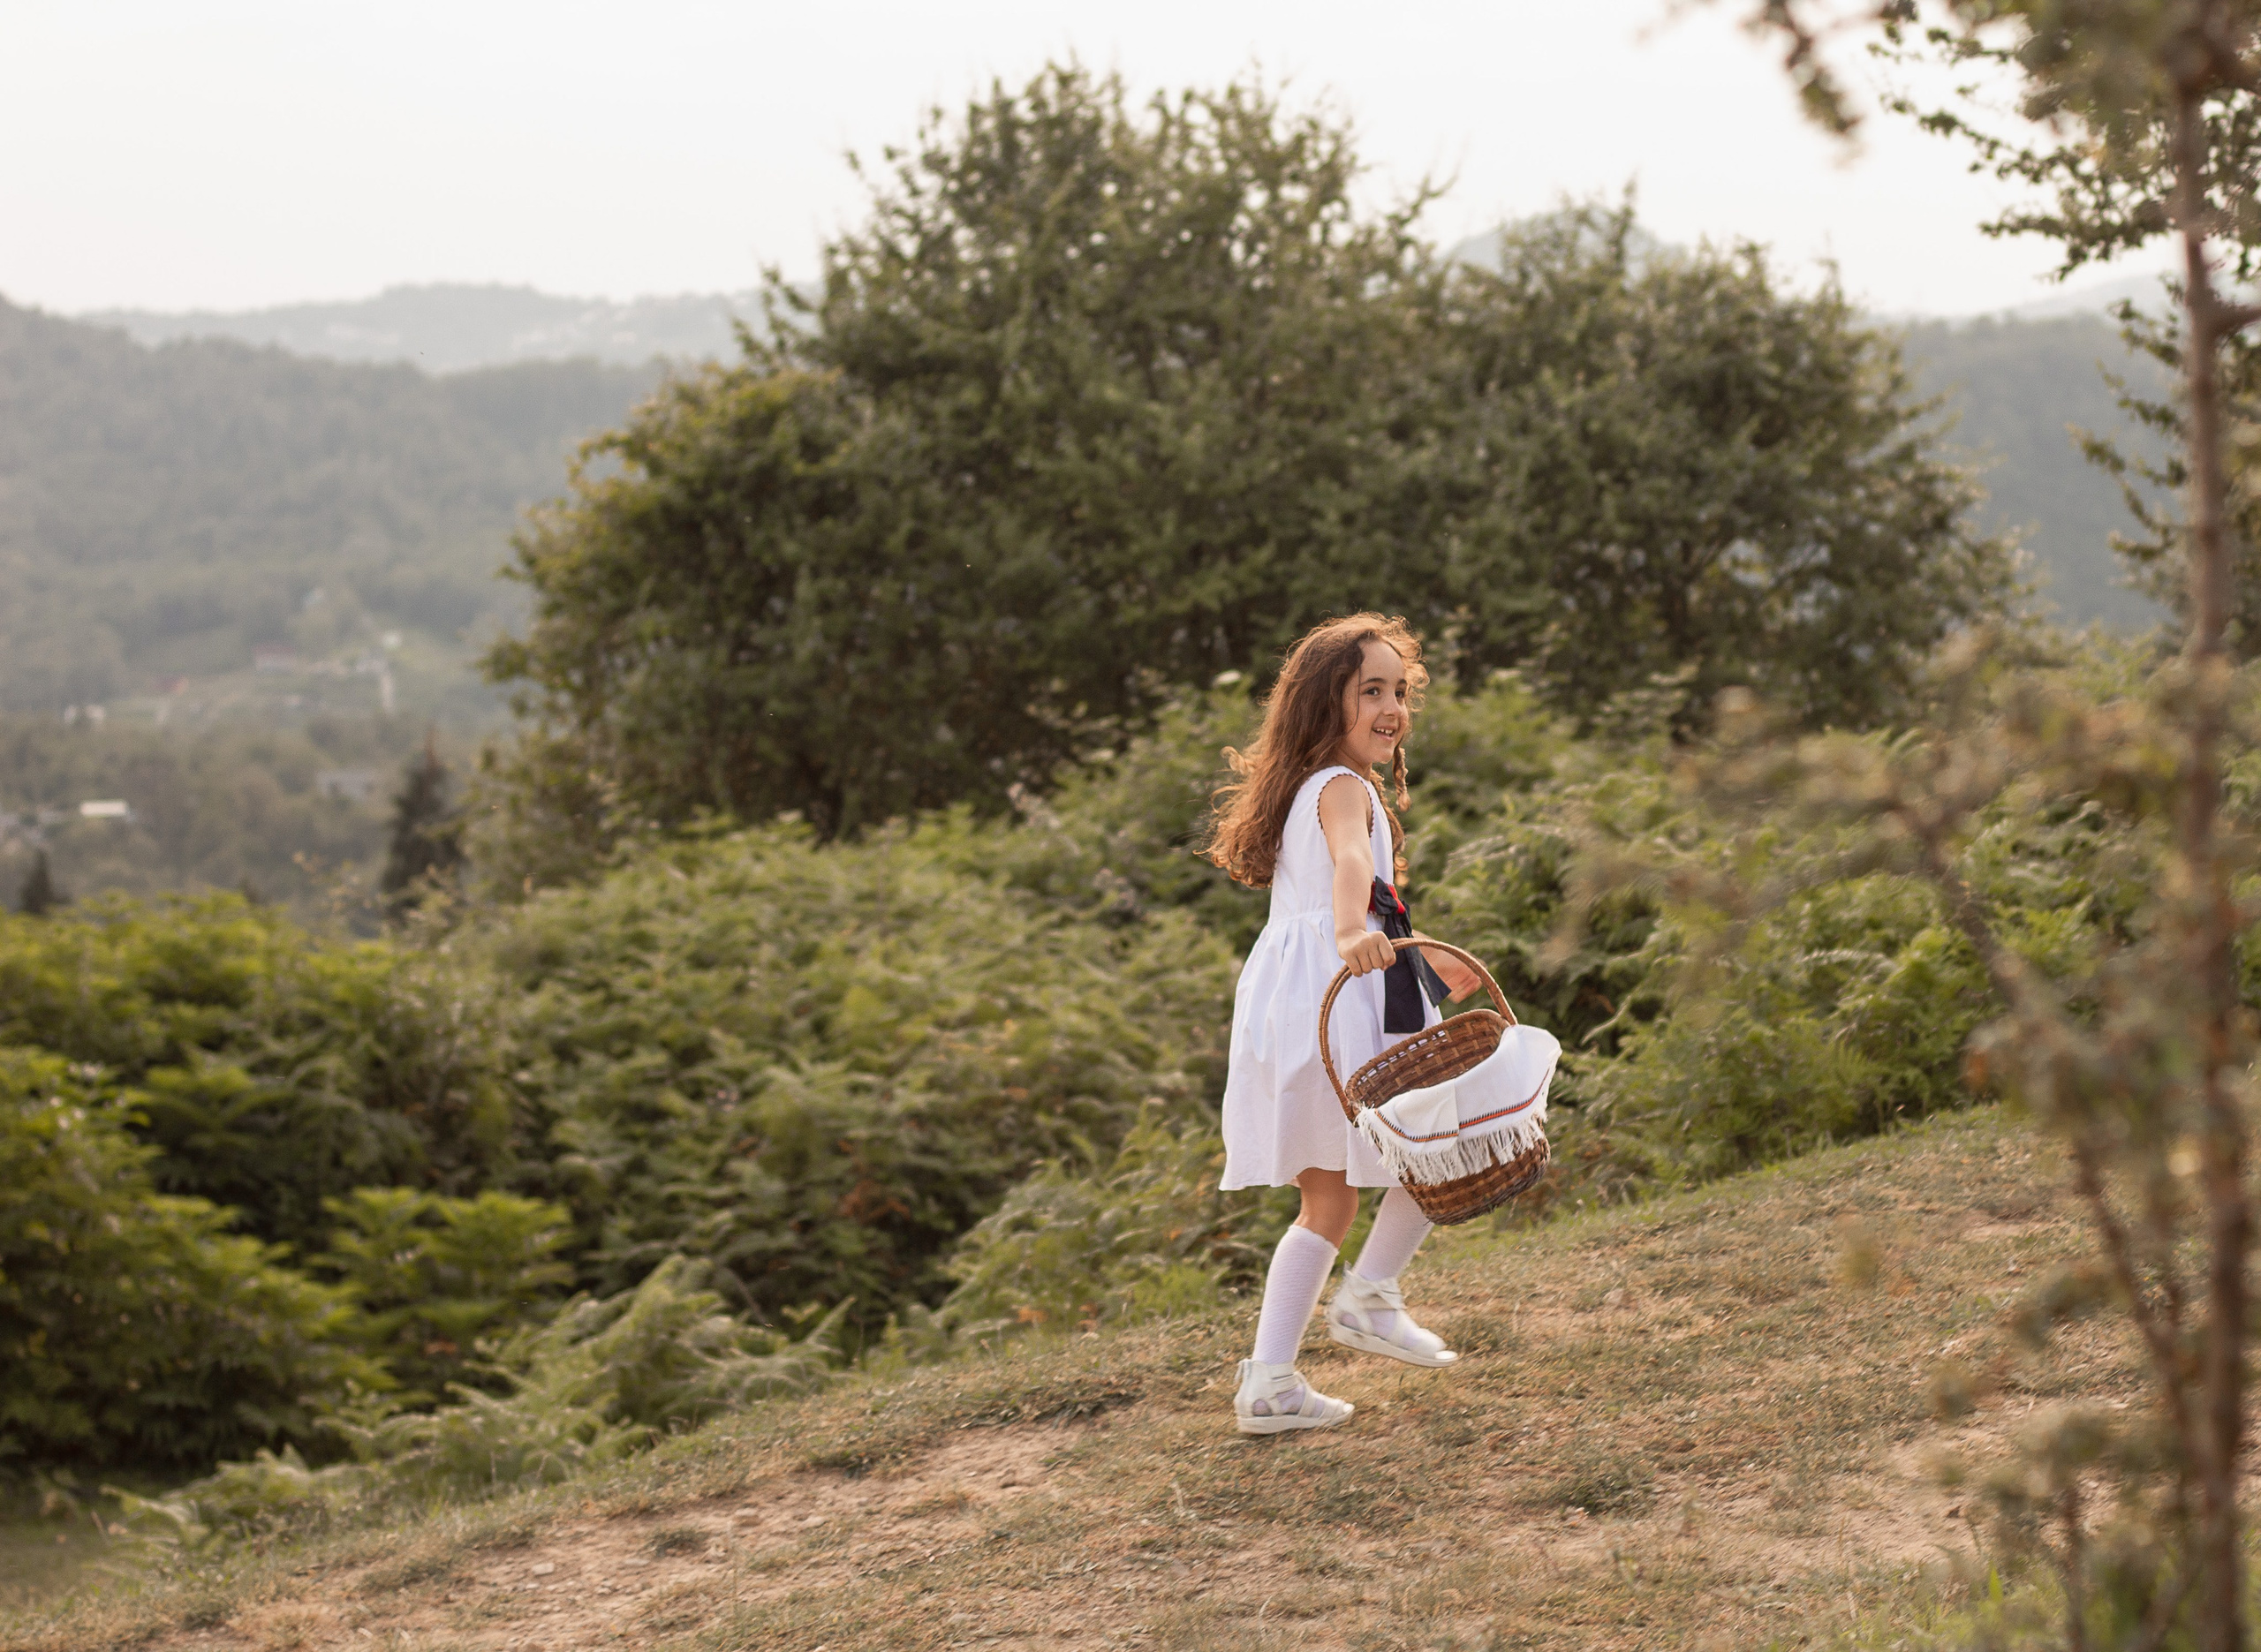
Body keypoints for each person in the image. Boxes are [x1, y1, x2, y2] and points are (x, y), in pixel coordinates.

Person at [1205, 614, 1484, 1434]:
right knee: (1442, 1138)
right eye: (1371, 691)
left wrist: (1423, 960)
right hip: (1341, 991)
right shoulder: (1344, 788)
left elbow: (1364, 889)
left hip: (1302, 1000)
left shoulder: (1309, 786)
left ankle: (1271, 1382)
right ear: (1326, 703)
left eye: (1400, 691)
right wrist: (1353, 928)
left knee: (1327, 1201)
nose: (1392, 708)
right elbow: (1354, 866)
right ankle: (1370, 1296)